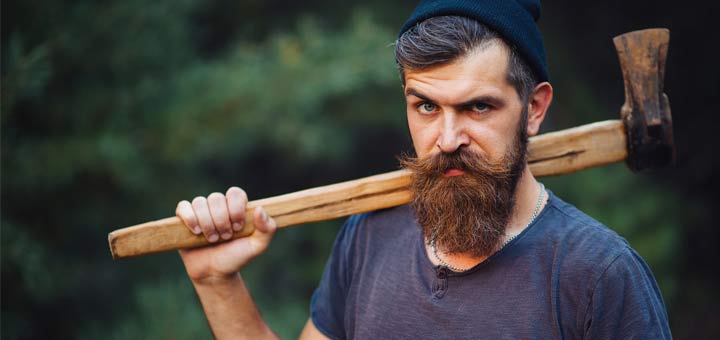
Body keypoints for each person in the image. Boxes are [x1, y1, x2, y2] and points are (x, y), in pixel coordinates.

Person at [174, 1, 672, 339]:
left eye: (478, 107)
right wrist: (217, 283)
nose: (448, 139)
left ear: (534, 109)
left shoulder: (598, 275)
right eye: (426, 107)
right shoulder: (369, 237)